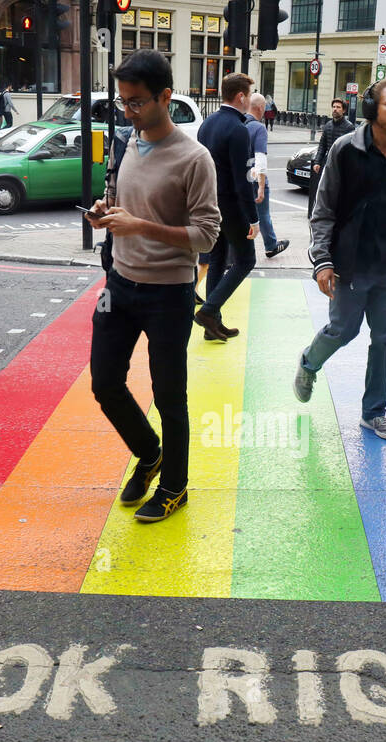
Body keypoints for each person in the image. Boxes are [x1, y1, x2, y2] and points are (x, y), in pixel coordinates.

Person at [84, 49, 220, 523]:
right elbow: (117, 200)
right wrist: (105, 214)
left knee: (168, 395)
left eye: (137, 102)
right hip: (119, 284)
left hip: (169, 293)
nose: (128, 111)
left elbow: (206, 234)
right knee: (104, 384)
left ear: (166, 97)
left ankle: (175, 486)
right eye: (123, 102)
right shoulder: (127, 143)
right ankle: (148, 453)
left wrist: (140, 226)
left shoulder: (194, 158)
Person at [296, 78, 386, 442]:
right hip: (349, 262)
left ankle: (373, 413)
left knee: (385, 337)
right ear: (371, 109)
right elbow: (323, 212)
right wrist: (322, 261)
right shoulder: (344, 150)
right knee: (344, 330)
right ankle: (309, 362)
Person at [195, 72, 259, 342]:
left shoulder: (207, 124)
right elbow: (242, 183)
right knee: (246, 260)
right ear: (241, 96)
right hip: (230, 208)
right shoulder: (238, 129)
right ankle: (209, 311)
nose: (249, 102)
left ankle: (213, 325)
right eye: (248, 96)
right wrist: (253, 220)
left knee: (217, 260)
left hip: (209, 204)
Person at [247, 93, 291, 259]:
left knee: (242, 214)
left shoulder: (239, 123)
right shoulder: (258, 128)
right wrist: (261, 186)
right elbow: (261, 159)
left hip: (239, 179)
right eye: (264, 107)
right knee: (263, 213)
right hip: (253, 178)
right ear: (260, 108)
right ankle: (271, 246)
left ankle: (233, 251)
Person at [309, 98, 353, 221]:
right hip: (327, 164)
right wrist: (317, 162)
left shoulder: (349, 127)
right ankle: (323, 214)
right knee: (324, 190)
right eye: (334, 106)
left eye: (338, 107)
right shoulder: (328, 126)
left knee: (339, 192)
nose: (335, 109)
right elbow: (322, 146)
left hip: (341, 166)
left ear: (343, 110)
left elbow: (351, 150)